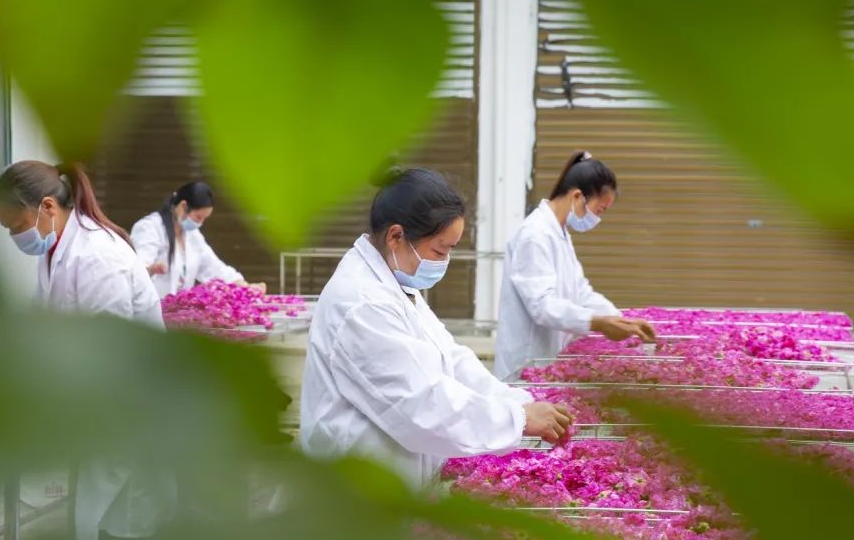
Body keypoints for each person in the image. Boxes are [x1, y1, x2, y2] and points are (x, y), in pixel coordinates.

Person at [300, 168, 574, 488]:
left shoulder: (393, 282)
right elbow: (420, 406)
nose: (445, 261)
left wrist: (516, 401)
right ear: (396, 236)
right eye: (440, 250)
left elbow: (451, 359)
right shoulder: (362, 303)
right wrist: (519, 420)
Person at [0, 160, 171, 540]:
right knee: (104, 537)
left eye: (16, 225)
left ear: (47, 207)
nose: (16, 238)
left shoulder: (97, 259)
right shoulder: (58, 252)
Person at [494, 151, 656, 379]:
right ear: (578, 196)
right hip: (525, 365)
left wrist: (620, 320)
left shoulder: (558, 233)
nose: (597, 219)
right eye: (599, 210)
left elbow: (581, 292)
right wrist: (598, 323)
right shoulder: (534, 235)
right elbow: (542, 306)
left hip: (545, 363)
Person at [130, 181, 263, 299]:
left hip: (176, 314)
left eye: (204, 219)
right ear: (183, 206)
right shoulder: (149, 228)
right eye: (198, 217)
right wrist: (152, 269)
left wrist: (246, 286)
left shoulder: (193, 235)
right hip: (151, 312)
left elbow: (214, 268)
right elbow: (136, 272)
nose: (201, 223)